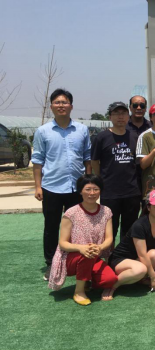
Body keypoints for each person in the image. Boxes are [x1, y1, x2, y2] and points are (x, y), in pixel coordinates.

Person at [32, 88, 92, 281]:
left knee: (78, 226)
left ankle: (76, 261)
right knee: (51, 226)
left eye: (64, 102)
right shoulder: (43, 131)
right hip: (52, 187)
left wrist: (88, 184)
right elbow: (37, 161)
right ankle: (52, 263)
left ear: (71, 106)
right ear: (51, 106)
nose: (61, 105)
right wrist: (38, 186)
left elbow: (87, 158)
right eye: (57, 102)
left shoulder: (82, 130)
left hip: (76, 188)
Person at [48, 175, 118, 305]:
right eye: (88, 189)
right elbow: (62, 243)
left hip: (94, 255)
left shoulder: (106, 211)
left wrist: (100, 247)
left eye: (96, 189)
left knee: (109, 279)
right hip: (70, 258)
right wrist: (81, 248)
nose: (92, 193)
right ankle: (79, 292)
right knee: (87, 253)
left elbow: (109, 238)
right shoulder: (71, 213)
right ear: (80, 191)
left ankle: (86, 280)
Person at [105, 190, 155, 299]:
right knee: (140, 269)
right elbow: (142, 255)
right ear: (148, 208)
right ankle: (111, 285)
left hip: (137, 260)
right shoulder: (139, 225)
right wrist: (153, 276)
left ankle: (140, 279)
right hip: (120, 260)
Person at [92, 102, 142, 242]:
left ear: (128, 116)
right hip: (110, 192)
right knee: (109, 228)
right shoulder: (101, 137)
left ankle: (124, 254)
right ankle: (108, 254)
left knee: (129, 229)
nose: (120, 117)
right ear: (110, 117)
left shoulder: (134, 137)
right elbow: (94, 161)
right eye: (116, 113)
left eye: (123, 113)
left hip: (131, 191)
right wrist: (101, 179)